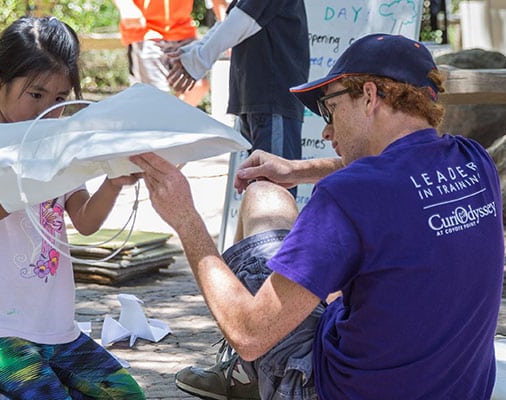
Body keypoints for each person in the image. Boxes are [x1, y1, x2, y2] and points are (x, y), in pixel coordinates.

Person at [131, 33, 504, 399]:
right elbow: (398, 173)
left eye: (331, 108)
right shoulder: (475, 160)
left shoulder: (348, 194)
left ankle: (245, 375)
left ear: (370, 96)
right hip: (460, 386)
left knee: (263, 196)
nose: (326, 130)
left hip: (336, 388)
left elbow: (248, 334)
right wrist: (297, 170)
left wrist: (186, 219)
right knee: (289, 212)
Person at [0, 16, 145, 400]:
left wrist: (113, 180)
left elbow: (86, 221)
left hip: (54, 326)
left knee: (125, 395)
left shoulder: (59, 144)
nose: (47, 111)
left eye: (59, 99)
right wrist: (36, 165)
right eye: (36, 95)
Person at [166, 0, 310, 198]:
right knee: (259, 193)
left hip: (272, 100)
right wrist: (194, 52)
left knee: (273, 195)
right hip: (254, 100)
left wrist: (197, 59)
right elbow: (232, 19)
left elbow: (242, 20)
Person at [112, 0, 210, 107]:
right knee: (156, 96)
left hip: (182, 29)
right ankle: (165, 120)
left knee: (198, 86)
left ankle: (170, 120)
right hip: (146, 31)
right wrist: (126, 6)